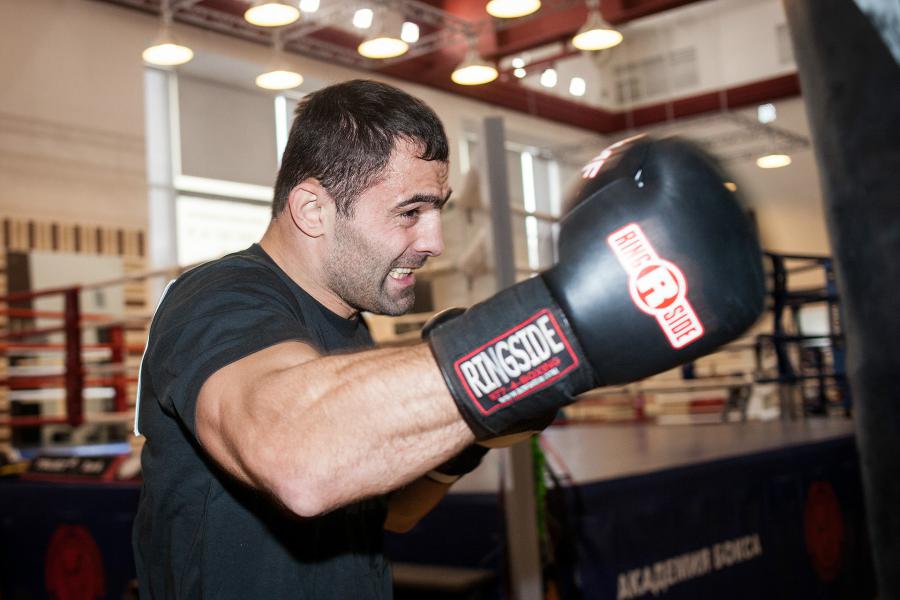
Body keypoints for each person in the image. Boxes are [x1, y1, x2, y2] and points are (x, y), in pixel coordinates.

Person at [133, 79, 766, 598]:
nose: (434, 241)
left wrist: (465, 443)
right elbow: (296, 458)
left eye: (437, 209)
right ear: (313, 209)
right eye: (410, 212)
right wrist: (552, 333)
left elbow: (389, 514)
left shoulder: (348, 330)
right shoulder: (216, 299)